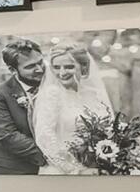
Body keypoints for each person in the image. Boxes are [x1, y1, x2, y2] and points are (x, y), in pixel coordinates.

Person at [34, 41, 117, 174]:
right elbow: (45, 137)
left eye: (69, 67)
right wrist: (77, 169)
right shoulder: (52, 94)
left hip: (98, 168)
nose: (62, 73)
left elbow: (112, 129)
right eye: (56, 67)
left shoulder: (96, 93)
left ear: (83, 66)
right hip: (63, 171)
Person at [0, 37, 47, 173]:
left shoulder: (51, 89)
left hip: (41, 172)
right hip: (5, 171)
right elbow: (6, 136)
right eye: (30, 67)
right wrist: (51, 156)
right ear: (12, 69)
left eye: (40, 63)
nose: (39, 69)